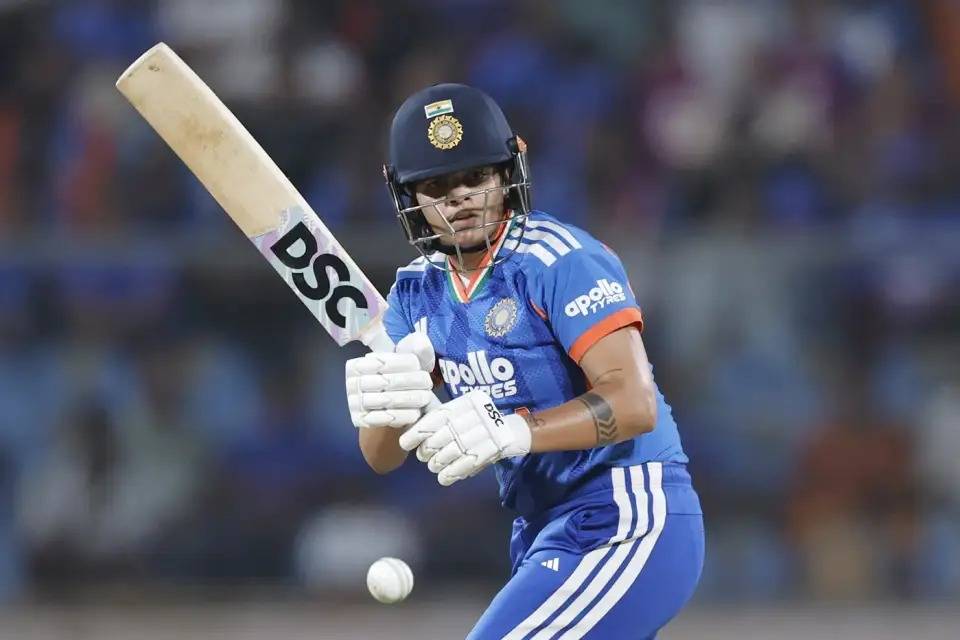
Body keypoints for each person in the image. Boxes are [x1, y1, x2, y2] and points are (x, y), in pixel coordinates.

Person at [345, 83, 704, 639]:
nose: (460, 198)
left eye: (475, 177)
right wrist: (390, 397)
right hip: (543, 528)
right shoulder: (415, 294)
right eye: (437, 186)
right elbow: (381, 456)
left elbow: (635, 403)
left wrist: (514, 431)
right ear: (407, 195)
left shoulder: (560, 260)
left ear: (506, 172)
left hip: (625, 512)